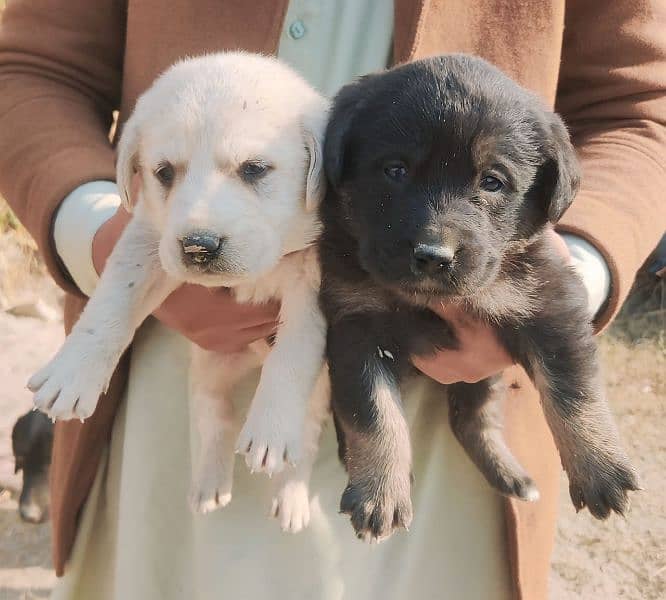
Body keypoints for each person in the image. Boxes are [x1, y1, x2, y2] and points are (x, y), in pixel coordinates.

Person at [0, 1, 664, 598]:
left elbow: (639, 108)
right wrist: (109, 237)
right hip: (169, 376)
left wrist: (563, 277)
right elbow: (29, 69)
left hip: (443, 422)